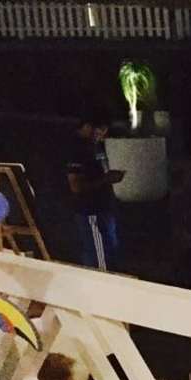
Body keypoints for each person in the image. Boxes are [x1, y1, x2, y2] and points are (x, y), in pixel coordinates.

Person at [67, 108, 124, 270]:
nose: (103, 134)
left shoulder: (95, 146)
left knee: (110, 254)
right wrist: (106, 179)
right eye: (100, 129)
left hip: (104, 209)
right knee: (99, 260)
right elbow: (76, 185)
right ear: (87, 126)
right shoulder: (76, 150)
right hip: (90, 211)